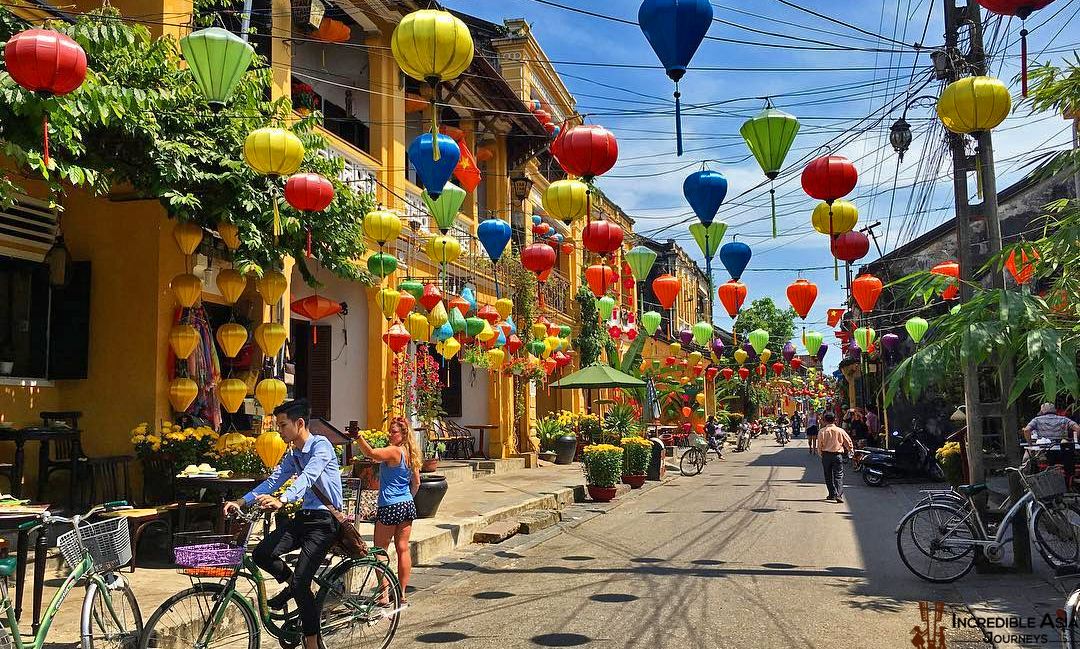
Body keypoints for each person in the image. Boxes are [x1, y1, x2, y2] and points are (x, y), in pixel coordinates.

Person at [224, 400, 343, 649]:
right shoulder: (293, 454)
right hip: (304, 518)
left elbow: (309, 476)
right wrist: (242, 501)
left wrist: (283, 500)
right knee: (262, 553)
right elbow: (274, 480)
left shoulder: (321, 447)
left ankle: (311, 643)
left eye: (283, 425)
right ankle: (296, 586)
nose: (279, 430)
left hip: (324, 521)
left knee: (301, 584)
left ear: (300, 423)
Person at [356, 416, 420, 605]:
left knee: (379, 551)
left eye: (394, 432)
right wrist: (407, 497)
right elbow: (416, 483)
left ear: (403, 434)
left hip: (389, 505)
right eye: (390, 431)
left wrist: (357, 436)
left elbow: (372, 453)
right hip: (407, 504)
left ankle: (384, 594)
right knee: (403, 548)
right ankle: (401, 594)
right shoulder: (411, 454)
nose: (390, 435)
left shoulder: (394, 451)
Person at [817, 412, 853, 503]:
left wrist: (821, 454)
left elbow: (819, 445)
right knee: (838, 475)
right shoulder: (840, 431)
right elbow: (848, 441)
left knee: (828, 475)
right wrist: (850, 450)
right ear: (835, 420)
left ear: (825, 421)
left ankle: (832, 494)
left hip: (826, 455)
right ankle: (839, 494)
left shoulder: (822, 431)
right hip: (837, 455)